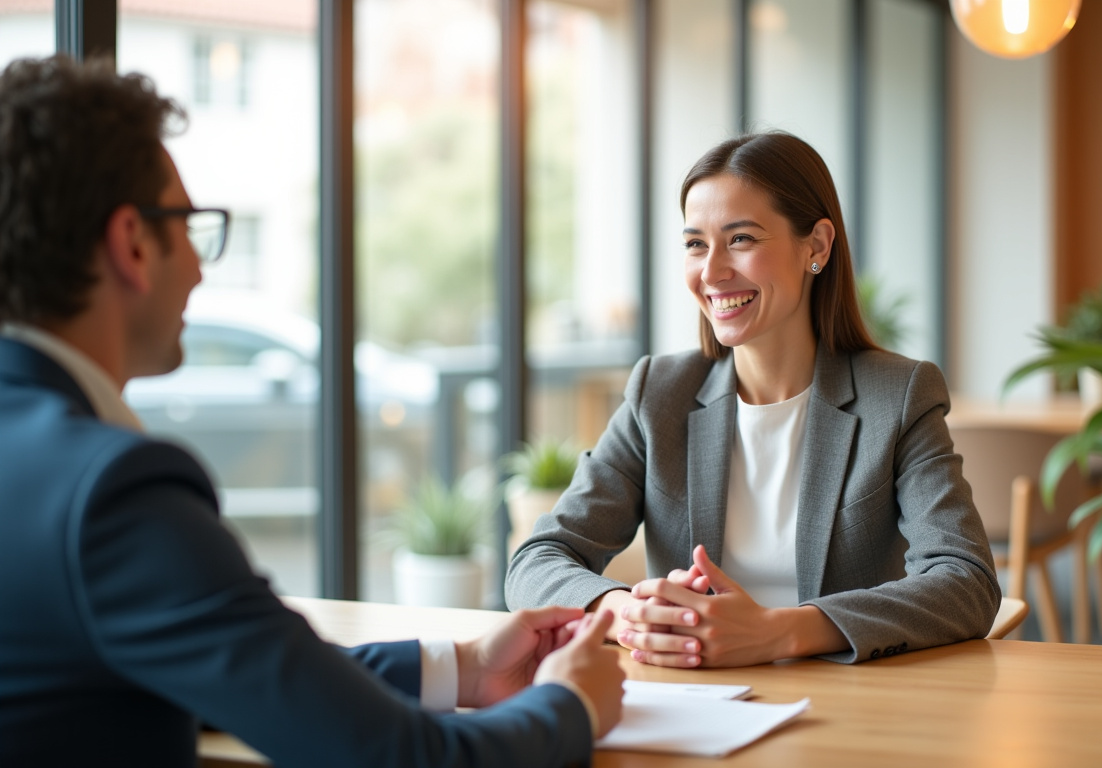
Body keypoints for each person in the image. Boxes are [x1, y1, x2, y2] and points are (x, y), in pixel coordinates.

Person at [0, 56, 623, 768]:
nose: (202, 270)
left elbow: (233, 671)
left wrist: (467, 666)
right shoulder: (110, 494)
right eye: (192, 228)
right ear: (133, 244)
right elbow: (404, 758)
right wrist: (569, 703)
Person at [506, 132, 1000, 668]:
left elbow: (966, 580)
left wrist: (779, 632)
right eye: (696, 243)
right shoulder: (660, 394)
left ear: (816, 246)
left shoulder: (898, 396)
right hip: (700, 705)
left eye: (741, 239)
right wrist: (627, 615)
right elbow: (537, 560)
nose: (712, 272)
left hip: (850, 709)